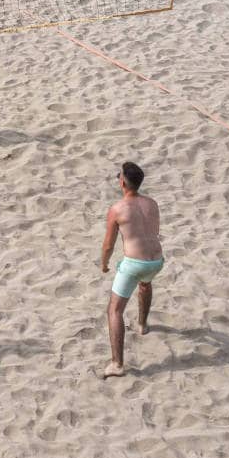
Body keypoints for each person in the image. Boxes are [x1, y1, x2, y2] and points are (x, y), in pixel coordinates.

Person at [100, 160, 163, 379]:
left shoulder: (117, 209)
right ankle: (142, 324)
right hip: (156, 261)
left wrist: (104, 264)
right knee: (145, 284)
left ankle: (117, 364)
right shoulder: (152, 203)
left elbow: (108, 244)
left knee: (115, 310)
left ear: (122, 182)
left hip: (134, 264)